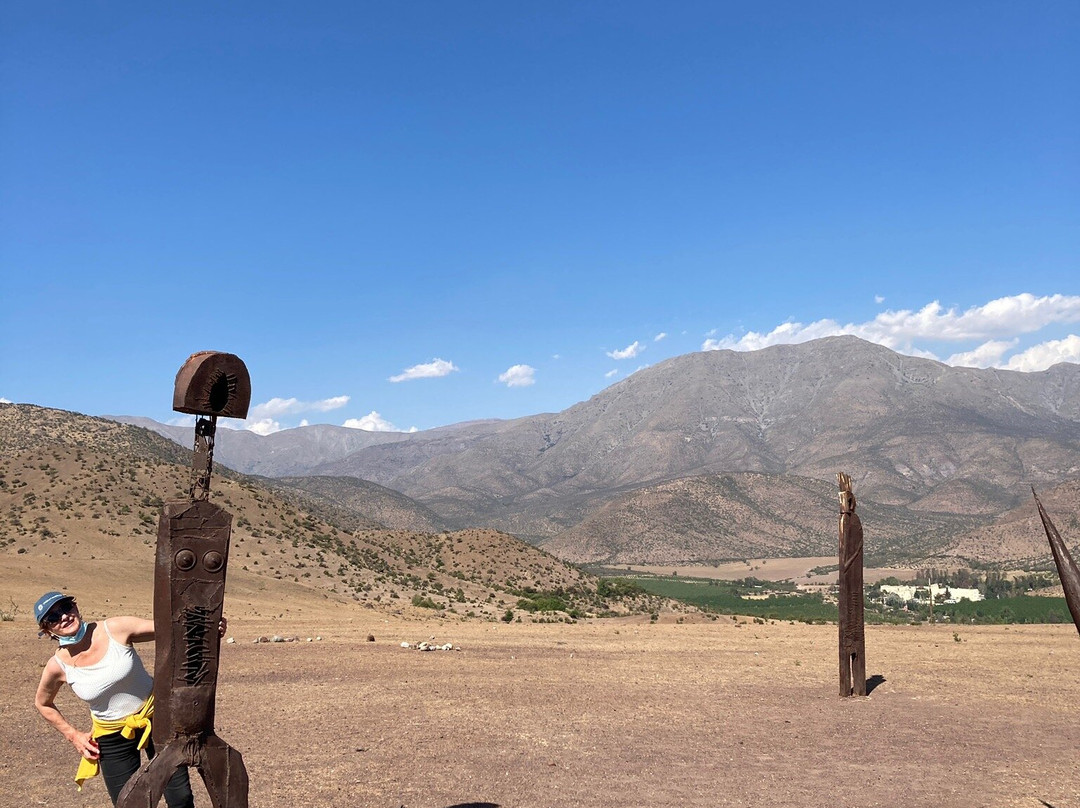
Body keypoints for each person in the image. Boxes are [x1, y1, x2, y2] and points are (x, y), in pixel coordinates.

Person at [33, 591, 219, 807]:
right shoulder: (57, 666)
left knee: (180, 797)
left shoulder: (114, 629)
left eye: (65, 607)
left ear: (75, 607)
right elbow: (43, 703)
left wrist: (210, 627)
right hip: (111, 733)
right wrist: (74, 736)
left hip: (156, 717)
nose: (63, 617)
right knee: (128, 803)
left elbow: (172, 627)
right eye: (53, 618)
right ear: (47, 630)